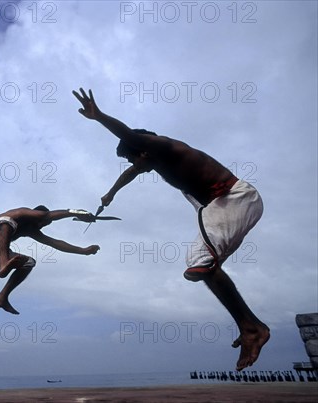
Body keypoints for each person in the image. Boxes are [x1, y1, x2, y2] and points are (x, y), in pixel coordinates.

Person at [72, 88, 270, 371]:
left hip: (231, 200)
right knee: (201, 267)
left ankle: (252, 328)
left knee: (200, 263)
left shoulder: (163, 147)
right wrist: (110, 194)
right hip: (222, 206)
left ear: (143, 150)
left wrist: (99, 116)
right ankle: (249, 325)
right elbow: (130, 172)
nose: (134, 166)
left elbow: (130, 137)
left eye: (133, 159)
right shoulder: (153, 159)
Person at [0, 206, 100, 315]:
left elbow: (54, 243)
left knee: (29, 263)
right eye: (42, 223)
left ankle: (2, 297)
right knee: (7, 221)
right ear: (35, 215)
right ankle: (4, 262)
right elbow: (47, 215)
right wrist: (75, 212)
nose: (41, 226)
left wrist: (84, 251)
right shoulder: (21, 213)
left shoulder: (30, 230)